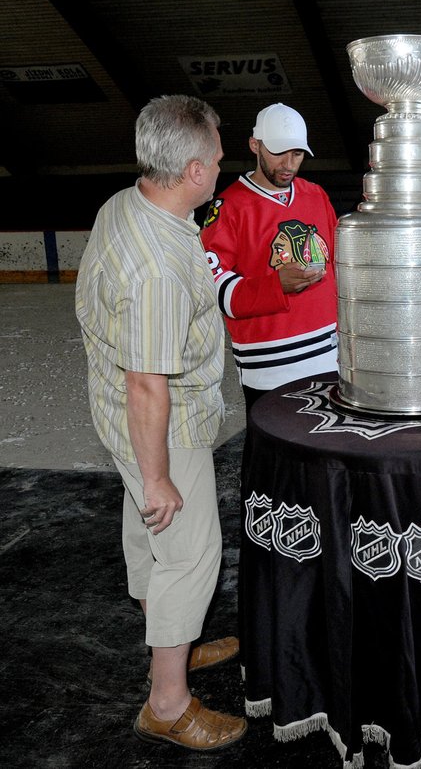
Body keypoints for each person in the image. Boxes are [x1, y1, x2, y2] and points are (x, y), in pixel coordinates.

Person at [74, 95, 246, 750]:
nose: (224, 162)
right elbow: (151, 381)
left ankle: (168, 641)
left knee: (148, 539)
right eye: (219, 155)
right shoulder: (159, 271)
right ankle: (168, 703)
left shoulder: (127, 203)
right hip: (159, 422)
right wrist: (158, 476)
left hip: (118, 408)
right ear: (195, 171)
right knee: (189, 552)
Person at [201, 103, 338, 414]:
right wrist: (276, 287)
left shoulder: (316, 195)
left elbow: (341, 263)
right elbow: (212, 286)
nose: (288, 164)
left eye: (298, 154)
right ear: (255, 145)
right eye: (279, 152)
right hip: (270, 369)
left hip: (331, 360)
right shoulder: (230, 207)